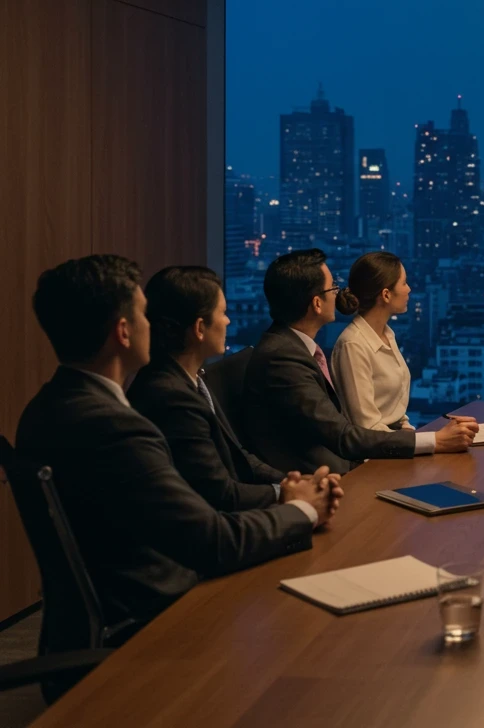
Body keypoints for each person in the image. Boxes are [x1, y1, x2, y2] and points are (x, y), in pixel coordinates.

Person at [16, 255, 339, 664]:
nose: (154, 327)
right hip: (151, 627)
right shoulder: (117, 428)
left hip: (101, 622)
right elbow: (213, 541)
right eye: (144, 316)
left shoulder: (44, 409)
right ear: (123, 332)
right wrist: (302, 509)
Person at [242, 249, 477, 473]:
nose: (339, 293)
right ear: (316, 303)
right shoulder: (282, 358)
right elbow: (343, 436)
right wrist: (435, 440)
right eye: (332, 288)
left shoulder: (293, 348)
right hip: (328, 476)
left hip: (348, 462)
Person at [129, 266, 298, 511]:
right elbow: (220, 494)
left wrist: (289, 481)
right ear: (199, 328)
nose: (228, 320)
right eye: (223, 312)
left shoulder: (191, 379)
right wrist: (287, 494)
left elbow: (238, 456)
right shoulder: (171, 398)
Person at [331, 252, 465, 452]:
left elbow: (395, 412)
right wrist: (435, 441)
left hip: (394, 450)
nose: (409, 289)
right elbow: (366, 429)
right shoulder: (353, 345)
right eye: (404, 283)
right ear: (386, 294)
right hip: (371, 463)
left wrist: (416, 435)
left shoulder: (387, 334)